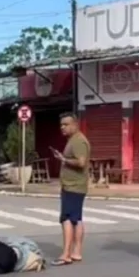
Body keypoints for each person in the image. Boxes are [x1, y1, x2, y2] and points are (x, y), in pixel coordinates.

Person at [50, 112, 90, 266]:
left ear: (75, 124)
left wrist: (63, 159)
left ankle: (66, 254)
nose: (63, 127)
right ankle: (76, 252)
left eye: (66, 124)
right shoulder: (74, 140)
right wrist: (63, 158)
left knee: (66, 219)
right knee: (76, 219)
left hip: (73, 186)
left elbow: (81, 162)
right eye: (61, 125)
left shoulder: (78, 141)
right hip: (74, 186)